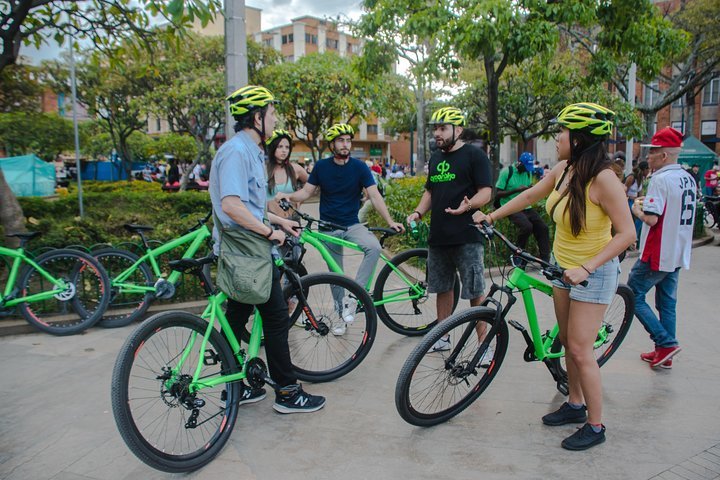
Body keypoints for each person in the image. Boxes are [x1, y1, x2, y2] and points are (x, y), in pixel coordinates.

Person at [473, 103, 635, 451]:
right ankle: (575, 404)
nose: (557, 138)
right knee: (566, 341)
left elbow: (627, 234)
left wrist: (587, 267)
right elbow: (532, 195)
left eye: (561, 132)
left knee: (579, 349)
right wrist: (492, 216)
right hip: (561, 267)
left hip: (593, 273)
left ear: (578, 139)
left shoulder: (605, 179)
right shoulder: (564, 169)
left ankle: (596, 425)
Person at [209, 84, 325, 414]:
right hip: (247, 253)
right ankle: (288, 392)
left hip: (247, 252)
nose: (275, 119)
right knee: (275, 318)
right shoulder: (237, 152)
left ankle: (234, 387)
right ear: (257, 117)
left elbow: (250, 205)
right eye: (272, 114)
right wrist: (268, 231)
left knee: (236, 316)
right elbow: (231, 205)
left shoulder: (251, 151)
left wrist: (278, 222)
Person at [277, 123, 405, 335]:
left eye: (347, 140)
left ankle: (354, 298)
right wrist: (288, 196)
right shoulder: (321, 167)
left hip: (352, 225)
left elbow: (374, 195)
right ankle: (341, 318)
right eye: (340, 141)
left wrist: (390, 220)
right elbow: (307, 192)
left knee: (373, 247)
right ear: (332, 144)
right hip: (328, 227)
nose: (345, 145)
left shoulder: (360, 167)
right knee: (336, 276)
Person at [405, 107, 493, 356]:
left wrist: (469, 205)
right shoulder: (435, 158)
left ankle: (483, 346)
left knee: (475, 291)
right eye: (435, 129)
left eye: (443, 128)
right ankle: (442, 337)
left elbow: (486, 191)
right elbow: (430, 192)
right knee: (442, 288)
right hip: (439, 237)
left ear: (459, 129)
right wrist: (418, 213)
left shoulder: (475, 156)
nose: (437, 134)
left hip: (467, 236)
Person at [629, 127, 696, 370]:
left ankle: (665, 342)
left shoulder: (660, 179)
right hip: (678, 251)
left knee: (632, 295)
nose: (649, 157)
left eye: (653, 152)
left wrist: (636, 209)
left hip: (658, 252)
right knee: (667, 302)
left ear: (665, 156)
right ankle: (665, 351)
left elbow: (652, 219)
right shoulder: (687, 177)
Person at [494, 152, 551, 263]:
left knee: (543, 228)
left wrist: (531, 188)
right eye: (525, 167)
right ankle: (518, 254)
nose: (527, 170)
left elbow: (528, 190)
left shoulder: (528, 173)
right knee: (527, 227)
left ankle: (545, 261)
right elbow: (497, 194)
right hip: (510, 205)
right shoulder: (507, 172)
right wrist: (517, 190)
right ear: (519, 163)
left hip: (525, 206)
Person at [264, 129, 309, 220]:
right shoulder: (262, 169)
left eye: (287, 147)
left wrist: (299, 201)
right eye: (280, 146)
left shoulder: (295, 169)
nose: (284, 150)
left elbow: (310, 185)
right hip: (270, 220)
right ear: (272, 148)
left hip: (292, 218)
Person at [624, 161, 650, 248]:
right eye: (648, 169)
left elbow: (640, 193)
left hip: (636, 201)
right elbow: (624, 190)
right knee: (633, 220)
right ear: (644, 169)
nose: (649, 171)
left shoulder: (641, 179)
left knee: (641, 219)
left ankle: (636, 238)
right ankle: (631, 238)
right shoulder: (632, 178)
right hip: (628, 201)